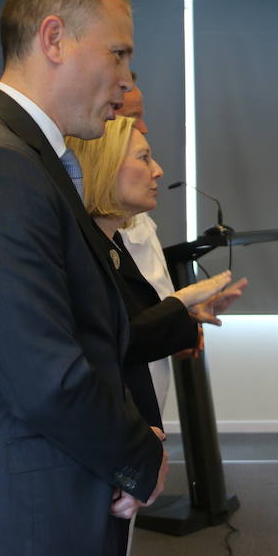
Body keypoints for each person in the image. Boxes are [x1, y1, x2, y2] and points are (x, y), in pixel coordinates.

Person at [0, 0, 168, 556]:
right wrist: (136, 454)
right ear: (54, 39)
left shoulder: (24, 159)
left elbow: (83, 333)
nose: (126, 79)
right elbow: (45, 373)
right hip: (19, 525)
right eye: (118, 52)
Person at [67, 116, 247, 556]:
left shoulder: (110, 242)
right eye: (144, 158)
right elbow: (111, 343)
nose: (159, 170)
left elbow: (131, 326)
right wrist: (181, 302)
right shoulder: (81, 251)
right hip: (103, 448)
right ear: (104, 167)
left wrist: (186, 313)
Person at [116, 74, 182, 416]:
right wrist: (180, 311)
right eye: (131, 118)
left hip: (152, 370)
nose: (143, 127)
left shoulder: (132, 204)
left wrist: (183, 318)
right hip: (124, 392)